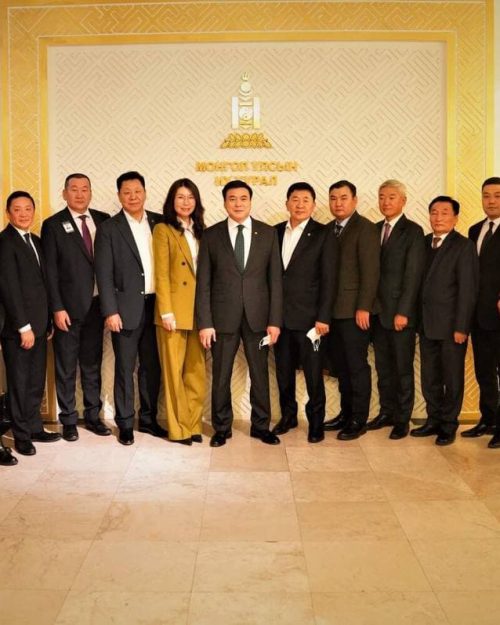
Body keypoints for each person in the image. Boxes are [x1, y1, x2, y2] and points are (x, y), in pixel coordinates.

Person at [196, 180, 282, 447]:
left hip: (259, 318)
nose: (238, 203)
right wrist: (205, 322)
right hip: (222, 318)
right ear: (224, 203)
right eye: (232, 198)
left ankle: (261, 426)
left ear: (250, 201)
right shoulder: (211, 235)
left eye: (243, 198)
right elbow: (204, 283)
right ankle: (222, 428)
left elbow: (275, 281)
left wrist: (275, 321)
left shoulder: (268, 233)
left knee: (260, 374)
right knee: (221, 375)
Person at [94, 171, 167, 445]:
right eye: (127, 192)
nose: (133, 197)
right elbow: (103, 274)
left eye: (137, 191)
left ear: (145, 192)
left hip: (157, 307)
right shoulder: (109, 228)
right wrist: (110, 311)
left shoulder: (160, 222)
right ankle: (125, 423)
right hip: (124, 310)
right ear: (119, 196)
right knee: (125, 368)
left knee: (152, 366)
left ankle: (148, 419)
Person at [41, 173, 111, 441]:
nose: (80, 194)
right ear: (64, 193)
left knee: (92, 365)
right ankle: (69, 420)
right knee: (66, 367)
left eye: (84, 189)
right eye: (74, 189)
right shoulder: (53, 225)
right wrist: (57, 308)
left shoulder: (104, 220)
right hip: (67, 310)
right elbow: (50, 271)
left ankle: (93, 417)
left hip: (97, 307)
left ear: (90, 192)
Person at [410, 195, 479, 445]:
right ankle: (434, 420)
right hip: (426, 324)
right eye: (434, 212)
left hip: (451, 327)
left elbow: (468, 290)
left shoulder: (464, 246)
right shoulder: (423, 242)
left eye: (444, 213)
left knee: (452, 378)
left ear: (455, 218)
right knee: (430, 377)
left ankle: (449, 425)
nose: (438, 218)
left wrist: (462, 327)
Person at [273, 182, 337, 443]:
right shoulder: (275, 232)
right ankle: (288, 416)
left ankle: (316, 422)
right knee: (283, 372)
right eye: (295, 199)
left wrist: (323, 317)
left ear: (313, 205)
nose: (300, 205)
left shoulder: (323, 233)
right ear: (287, 203)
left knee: (313, 374)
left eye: (305, 200)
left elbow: (329, 279)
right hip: (279, 319)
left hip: (311, 320)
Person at [0, 191, 61, 456]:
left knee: (36, 379)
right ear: (8, 213)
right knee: (19, 382)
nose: (23, 214)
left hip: (39, 325)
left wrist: (46, 323)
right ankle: (21, 434)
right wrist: (23, 326)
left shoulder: (34, 240)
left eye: (28, 208)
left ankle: (35, 426)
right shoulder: (4, 242)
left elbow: (42, 285)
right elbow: (9, 288)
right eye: (17, 209)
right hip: (18, 329)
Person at [368, 180, 425, 439]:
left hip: (400, 314)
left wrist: (404, 311)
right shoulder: (374, 229)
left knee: (402, 369)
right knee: (383, 368)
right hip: (377, 313)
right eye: (382, 196)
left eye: (392, 197)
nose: (386, 201)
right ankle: (386, 412)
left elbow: (413, 276)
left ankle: (402, 419)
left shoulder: (413, 231)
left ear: (403, 200)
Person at [323, 180, 380, 440]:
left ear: (354, 200)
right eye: (333, 198)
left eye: (343, 198)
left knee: (357, 367)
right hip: (332, 312)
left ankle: (359, 419)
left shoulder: (365, 228)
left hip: (355, 312)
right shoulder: (328, 229)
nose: (338, 203)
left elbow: (371, 272)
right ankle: (345, 414)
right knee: (341, 367)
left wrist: (364, 307)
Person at [153, 179, 206, 445]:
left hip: (199, 311)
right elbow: (161, 273)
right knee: (173, 373)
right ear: (171, 201)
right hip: (173, 312)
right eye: (180, 197)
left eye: (190, 197)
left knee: (196, 372)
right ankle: (178, 429)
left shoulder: (201, 231)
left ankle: (193, 424)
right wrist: (166, 312)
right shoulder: (163, 230)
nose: (186, 202)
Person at [463, 177, 500, 448]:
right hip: (478, 314)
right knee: (484, 371)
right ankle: (488, 420)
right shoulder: (475, 229)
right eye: (486, 195)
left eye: (497, 195)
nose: (491, 201)